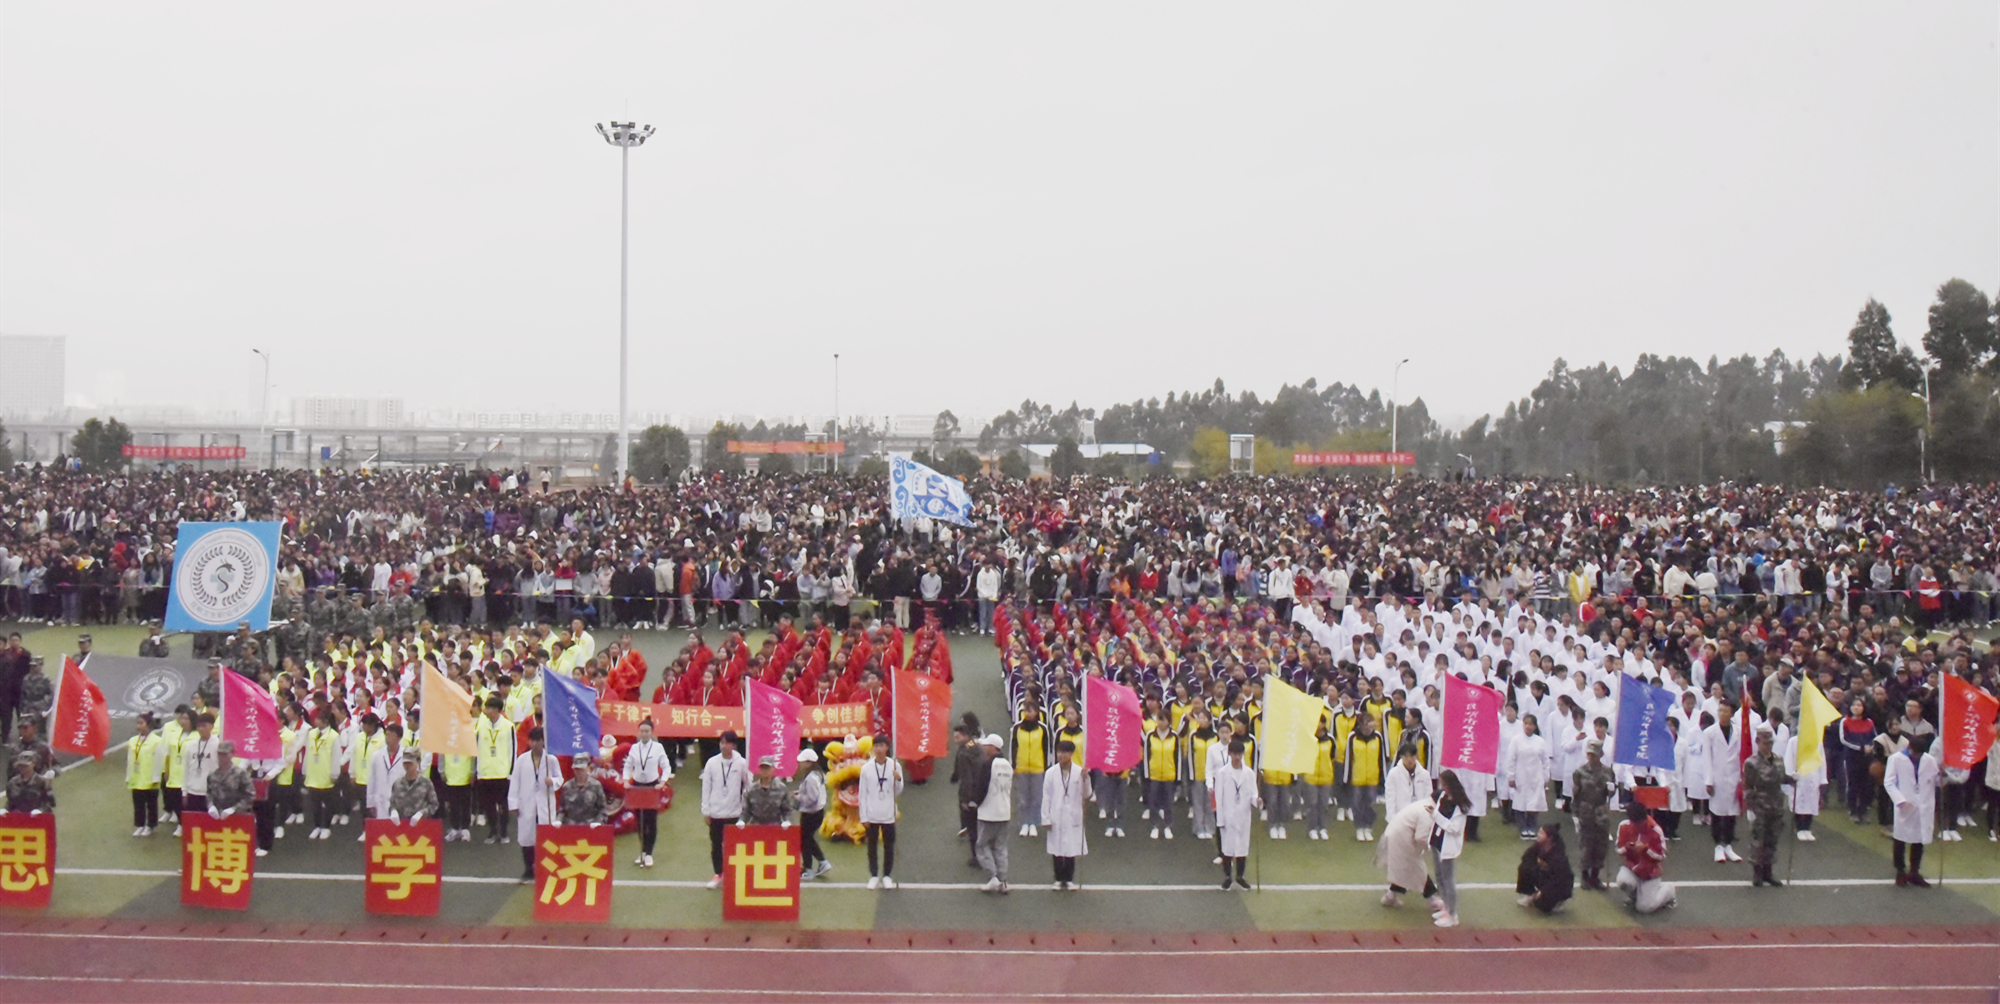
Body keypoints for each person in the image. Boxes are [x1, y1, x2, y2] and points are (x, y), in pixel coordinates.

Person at [506, 727, 562, 883]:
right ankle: (528, 869)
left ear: (543, 741)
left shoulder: (551, 760)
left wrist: (553, 781)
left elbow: (560, 778)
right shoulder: (522, 760)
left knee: (546, 837)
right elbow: (515, 782)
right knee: (527, 839)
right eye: (532, 740)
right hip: (527, 803)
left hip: (545, 804)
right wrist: (514, 803)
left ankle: (547, 869)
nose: (535, 744)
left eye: (538, 740)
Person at [1885, 733, 1940, 888]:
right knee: (1900, 838)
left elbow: (1936, 780)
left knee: (1919, 839)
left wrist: (1942, 775)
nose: (1918, 756)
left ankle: (1914, 871)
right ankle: (1900, 870)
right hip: (1905, 803)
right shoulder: (1896, 759)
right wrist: (1900, 800)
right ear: (1910, 748)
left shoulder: (1929, 760)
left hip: (1923, 804)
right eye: (1916, 753)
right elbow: (1889, 783)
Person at [1741, 725, 1792, 888]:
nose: (1768, 746)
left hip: (1776, 804)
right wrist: (1750, 807)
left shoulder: (1778, 760)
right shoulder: (1751, 763)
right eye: (1765, 743)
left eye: (1770, 743)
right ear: (1758, 742)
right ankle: (1757, 873)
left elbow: (1781, 778)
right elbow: (1747, 786)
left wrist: (1792, 779)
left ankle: (1768, 872)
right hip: (1760, 805)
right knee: (1758, 840)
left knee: (1772, 839)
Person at [699, 730, 751, 889]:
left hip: (734, 812)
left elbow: (748, 784)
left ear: (733, 745)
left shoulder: (741, 763)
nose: (723, 746)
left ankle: (734, 874)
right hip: (716, 812)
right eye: (722, 742)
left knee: (734, 846)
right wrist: (706, 810)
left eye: (727, 743)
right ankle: (718, 874)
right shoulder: (712, 763)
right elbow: (706, 787)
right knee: (716, 845)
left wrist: (745, 805)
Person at [1041, 738, 1092, 891]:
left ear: (1071, 754)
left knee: (1071, 848)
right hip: (1056, 813)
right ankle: (1058, 878)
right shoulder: (1051, 773)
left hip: (1072, 814)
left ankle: (1069, 879)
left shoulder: (1079, 772)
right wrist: (1046, 817)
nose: (1060, 755)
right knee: (1056, 848)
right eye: (1059, 752)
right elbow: (1046, 796)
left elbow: (1087, 794)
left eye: (1064, 753)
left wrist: (1085, 779)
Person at [1212, 737, 1261, 890]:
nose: (1237, 757)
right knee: (1227, 849)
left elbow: (1253, 793)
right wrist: (1220, 819)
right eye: (1234, 754)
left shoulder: (1249, 773)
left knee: (1242, 848)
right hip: (1228, 815)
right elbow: (1219, 796)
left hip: (1243, 816)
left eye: (1239, 754)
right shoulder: (1222, 773)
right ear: (1230, 754)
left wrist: (1257, 801)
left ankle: (1240, 876)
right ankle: (1228, 877)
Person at [621, 717, 670, 867]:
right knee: (640, 820)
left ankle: (649, 853)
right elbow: (628, 766)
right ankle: (642, 851)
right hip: (637, 786)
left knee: (651, 820)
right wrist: (625, 780)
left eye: (647, 731)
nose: (644, 734)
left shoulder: (658, 748)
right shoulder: (634, 748)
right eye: (642, 731)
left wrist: (663, 781)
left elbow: (666, 766)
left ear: (652, 732)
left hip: (652, 786)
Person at [858, 734, 904, 890]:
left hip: (888, 813)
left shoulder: (895, 766)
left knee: (889, 845)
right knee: (872, 846)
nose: (878, 749)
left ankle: (887, 876)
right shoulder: (866, 769)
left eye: (881, 746)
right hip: (872, 813)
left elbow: (898, 791)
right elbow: (862, 794)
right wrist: (863, 816)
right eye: (876, 746)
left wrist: (898, 779)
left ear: (887, 747)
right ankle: (873, 875)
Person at [1703, 700, 1746, 863]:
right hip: (1717, 777)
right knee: (1717, 813)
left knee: (1731, 813)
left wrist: (1743, 778)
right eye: (1720, 710)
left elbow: (1743, 755)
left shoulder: (1739, 732)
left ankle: (1728, 845)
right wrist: (1708, 780)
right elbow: (1707, 758)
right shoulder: (1709, 733)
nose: (1722, 714)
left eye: (1725, 711)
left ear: (1732, 713)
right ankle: (1718, 846)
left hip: (1734, 777)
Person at [1614, 801, 1675, 914]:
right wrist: (1627, 848)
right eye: (1635, 823)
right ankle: (1634, 897)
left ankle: (1668, 890)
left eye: (1640, 823)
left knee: (1645, 908)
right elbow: (1619, 850)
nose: (1637, 826)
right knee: (1623, 881)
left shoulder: (1655, 830)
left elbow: (1661, 856)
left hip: (1650, 873)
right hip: (1631, 868)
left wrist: (1646, 849)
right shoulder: (1624, 826)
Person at [1571, 738, 1616, 890]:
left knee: (1601, 846)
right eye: (1590, 754)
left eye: (1595, 754)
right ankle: (1585, 876)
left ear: (1600, 754)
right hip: (1586, 812)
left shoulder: (1608, 772)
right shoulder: (1580, 772)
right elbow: (1576, 795)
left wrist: (1612, 789)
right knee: (1586, 845)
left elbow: (1610, 794)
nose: (1592, 757)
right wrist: (1575, 815)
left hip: (1601, 812)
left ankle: (1595, 876)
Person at [1378, 795, 1437, 910]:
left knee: (1404, 868)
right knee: (1416, 868)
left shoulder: (1425, 804)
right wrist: (1431, 848)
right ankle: (1432, 900)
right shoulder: (1427, 811)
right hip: (1400, 838)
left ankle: (1390, 895)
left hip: (1396, 835)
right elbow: (1421, 837)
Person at [973, 734, 1013, 893]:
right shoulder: (1008, 765)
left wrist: (974, 802)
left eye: (986, 745)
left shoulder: (988, 764)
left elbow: (981, 787)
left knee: (982, 845)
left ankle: (993, 877)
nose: (983, 748)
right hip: (1004, 811)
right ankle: (1003, 880)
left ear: (993, 747)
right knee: (1000, 846)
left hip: (989, 811)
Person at [1429, 770, 1468, 927]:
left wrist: (1435, 816)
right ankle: (1446, 907)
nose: (1442, 787)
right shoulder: (1443, 798)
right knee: (1439, 877)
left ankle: (1452, 914)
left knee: (1448, 880)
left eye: (1444, 784)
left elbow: (1455, 828)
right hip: (1437, 842)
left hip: (1448, 846)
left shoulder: (1460, 805)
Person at [475, 696, 516, 844]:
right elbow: (477, 749)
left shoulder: (508, 726)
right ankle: (493, 831)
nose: (487, 711)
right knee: (489, 805)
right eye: (487, 708)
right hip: (486, 772)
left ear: (498, 710)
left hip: (502, 772)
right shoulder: (481, 727)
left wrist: (511, 772)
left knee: (503, 804)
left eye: (490, 708)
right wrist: (478, 771)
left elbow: (513, 750)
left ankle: (504, 832)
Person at [1515, 823, 1574, 914]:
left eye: (1541, 833)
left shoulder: (1558, 856)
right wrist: (1538, 865)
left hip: (1560, 884)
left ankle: (1558, 901)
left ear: (1549, 838)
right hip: (1546, 877)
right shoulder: (1539, 846)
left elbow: (1558, 878)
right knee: (1524, 868)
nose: (1538, 835)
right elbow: (1526, 857)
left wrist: (1543, 891)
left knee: (1542, 906)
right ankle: (1530, 894)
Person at [1510, 714, 1550, 839]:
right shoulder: (1516, 740)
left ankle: (1531, 826)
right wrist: (1511, 777)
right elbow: (1511, 759)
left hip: (1536, 776)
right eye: (1526, 723)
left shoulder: (1540, 741)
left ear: (1535, 726)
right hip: (1521, 776)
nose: (1528, 726)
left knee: (1534, 803)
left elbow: (1545, 761)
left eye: (1530, 724)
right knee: (1520, 803)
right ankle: (1523, 828)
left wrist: (1546, 777)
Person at [125, 713, 164, 837]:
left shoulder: (157, 741)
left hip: (149, 777)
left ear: (148, 725)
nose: (138, 726)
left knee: (151, 803)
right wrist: (128, 776)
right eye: (138, 723)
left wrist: (156, 777)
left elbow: (159, 761)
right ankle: (139, 825)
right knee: (138, 803)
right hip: (136, 777)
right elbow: (130, 760)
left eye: (141, 723)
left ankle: (151, 825)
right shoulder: (133, 741)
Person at [794, 749, 830, 879]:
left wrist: (798, 798)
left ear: (809, 763)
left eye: (802, 762)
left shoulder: (810, 778)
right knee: (808, 839)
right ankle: (822, 862)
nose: (800, 765)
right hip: (817, 813)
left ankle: (808, 868)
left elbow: (812, 798)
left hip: (810, 814)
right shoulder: (818, 775)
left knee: (805, 840)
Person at [181, 712, 220, 819]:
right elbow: (186, 769)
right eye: (199, 726)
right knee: (194, 822)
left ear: (212, 726)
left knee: (209, 823)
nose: (201, 729)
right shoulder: (191, 745)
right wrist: (184, 792)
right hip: (193, 791)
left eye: (204, 726)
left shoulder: (218, 744)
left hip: (210, 792)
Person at [388, 748, 440, 823]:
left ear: (418, 762)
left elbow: (434, 805)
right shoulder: (397, 784)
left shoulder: (426, 783)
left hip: (421, 825)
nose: (407, 766)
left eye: (410, 763)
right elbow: (392, 804)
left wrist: (421, 813)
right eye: (405, 763)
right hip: (401, 825)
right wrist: (393, 811)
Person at [743, 755, 795, 826]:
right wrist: (742, 821)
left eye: (767, 768)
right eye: (762, 768)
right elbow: (746, 810)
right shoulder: (752, 789)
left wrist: (787, 821)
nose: (765, 770)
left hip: (775, 827)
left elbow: (787, 810)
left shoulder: (781, 788)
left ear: (773, 769)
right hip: (756, 827)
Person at [560, 753, 608, 824]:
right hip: (570, 826)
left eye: (581, 769)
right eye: (576, 769)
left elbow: (603, 810)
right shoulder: (567, 786)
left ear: (588, 768)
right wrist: (559, 821)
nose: (579, 772)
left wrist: (598, 822)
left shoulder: (596, 785)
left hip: (590, 826)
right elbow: (562, 810)